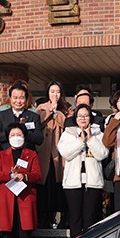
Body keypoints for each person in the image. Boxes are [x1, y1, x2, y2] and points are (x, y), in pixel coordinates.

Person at [57, 105, 108, 236]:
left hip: (93, 183)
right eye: (80, 116)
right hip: (73, 183)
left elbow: (102, 154)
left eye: (86, 116)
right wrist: (80, 141)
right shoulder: (68, 134)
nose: (83, 118)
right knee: (75, 218)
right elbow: (65, 153)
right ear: (75, 118)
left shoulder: (99, 134)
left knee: (90, 218)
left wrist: (90, 140)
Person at [0, 124, 42, 238]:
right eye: (12, 135)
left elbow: (37, 174)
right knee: (7, 230)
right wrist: (9, 175)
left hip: (25, 196)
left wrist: (24, 176)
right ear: (8, 137)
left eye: (19, 134)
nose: (16, 137)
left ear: (24, 136)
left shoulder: (31, 154)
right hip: (7, 196)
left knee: (25, 230)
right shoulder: (2, 155)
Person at [35, 81, 68, 229]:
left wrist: (57, 113)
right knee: (44, 184)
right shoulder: (41, 108)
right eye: (52, 91)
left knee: (57, 184)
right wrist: (50, 110)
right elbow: (38, 123)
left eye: (58, 92)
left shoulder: (66, 109)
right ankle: (43, 218)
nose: (55, 94)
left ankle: (57, 216)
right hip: (43, 151)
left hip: (58, 152)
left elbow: (66, 124)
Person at [0, 81, 45, 152]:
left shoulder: (34, 116)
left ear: (26, 99)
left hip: (27, 155)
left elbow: (39, 139)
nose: (18, 101)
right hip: (5, 154)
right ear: (10, 98)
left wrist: (24, 132)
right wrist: (12, 134)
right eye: (15, 98)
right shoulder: (1, 115)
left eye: (21, 98)